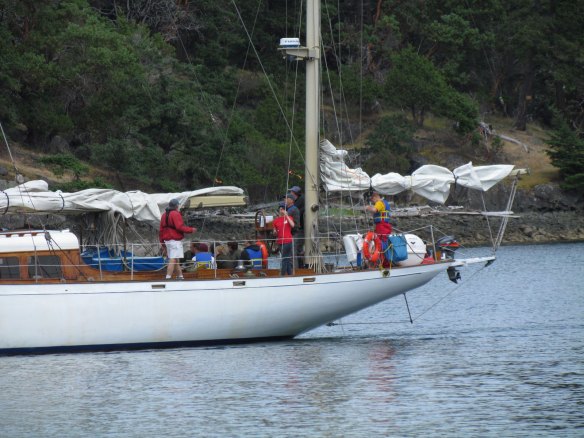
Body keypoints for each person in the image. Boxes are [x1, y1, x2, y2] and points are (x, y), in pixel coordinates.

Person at [159, 198, 196, 280]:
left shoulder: (164, 215)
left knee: (176, 259)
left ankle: (180, 276)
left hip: (167, 240)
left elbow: (161, 230)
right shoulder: (175, 214)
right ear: (176, 206)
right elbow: (179, 227)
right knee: (173, 259)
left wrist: (162, 243)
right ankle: (168, 278)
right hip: (174, 240)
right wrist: (191, 230)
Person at [272, 202, 295, 275]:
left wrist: (286, 215)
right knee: (286, 259)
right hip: (280, 241)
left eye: (283, 209)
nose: (281, 210)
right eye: (280, 209)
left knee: (284, 258)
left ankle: (282, 274)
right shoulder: (275, 221)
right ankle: (290, 274)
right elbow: (274, 231)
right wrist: (275, 232)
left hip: (288, 241)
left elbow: (292, 225)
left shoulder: (289, 218)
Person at [284, 194, 301, 268]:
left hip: (293, 233)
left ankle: (294, 270)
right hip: (290, 234)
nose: (285, 200)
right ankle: (291, 269)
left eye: (286, 198)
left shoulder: (292, 209)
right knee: (290, 253)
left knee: (292, 253)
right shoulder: (289, 209)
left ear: (291, 200)